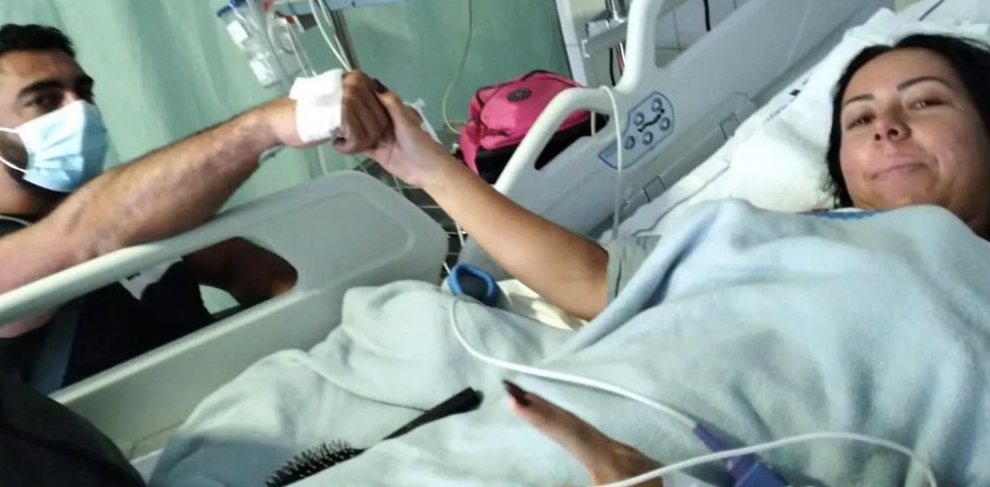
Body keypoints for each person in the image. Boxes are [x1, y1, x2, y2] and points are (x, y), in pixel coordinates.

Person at [361, 31, 990, 484]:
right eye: (859, 119)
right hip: (511, 440)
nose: (886, 126)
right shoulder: (759, 230)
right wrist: (426, 167)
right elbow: (589, 278)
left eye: (925, 102)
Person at [0, 23, 390, 390]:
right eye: (45, 100)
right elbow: (78, 239)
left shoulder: (126, 208)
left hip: (245, 396)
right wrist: (262, 128)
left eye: (83, 93)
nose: (79, 111)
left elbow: (237, 264)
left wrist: (337, 328)